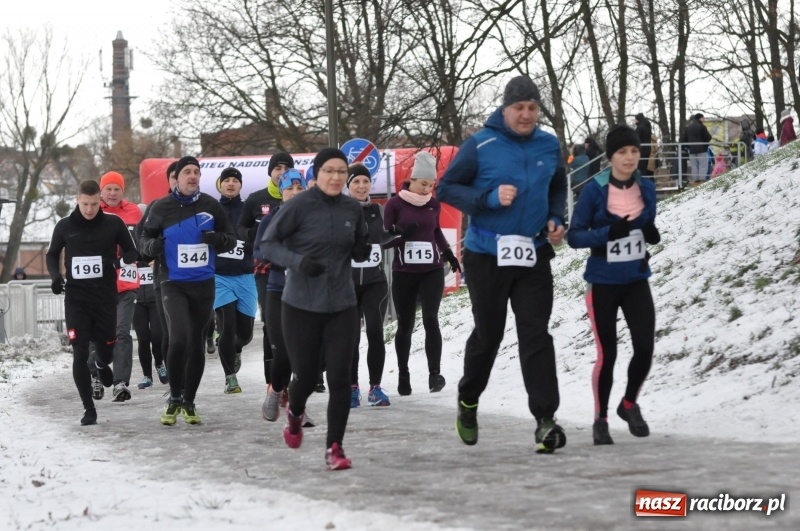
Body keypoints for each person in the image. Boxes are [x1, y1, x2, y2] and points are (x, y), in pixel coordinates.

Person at [436, 75, 568, 454]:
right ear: (505, 109)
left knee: (536, 335)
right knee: (489, 334)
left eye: (532, 108)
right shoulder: (481, 144)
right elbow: (447, 188)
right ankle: (468, 399)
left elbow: (557, 185)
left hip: (533, 252)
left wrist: (556, 217)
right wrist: (489, 197)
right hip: (486, 254)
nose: (526, 115)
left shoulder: (548, 144)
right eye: (519, 108)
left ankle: (545, 420)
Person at [261, 147, 370, 470]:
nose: (336, 177)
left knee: (339, 378)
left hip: (342, 305)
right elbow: (268, 243)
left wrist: (363, 248)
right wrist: (297, 262)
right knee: (306, 376)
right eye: (329, 171)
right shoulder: (299, 206)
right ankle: (294, 413)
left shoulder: (353, 208)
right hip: (300, 305)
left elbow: (360, 246)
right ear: (316, 174)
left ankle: (334, 448)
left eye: (341, 172)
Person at [567, 124, 660, 446]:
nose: (630, 157)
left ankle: (628, 404)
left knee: (645, 348)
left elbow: (645, 223)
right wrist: (607, 235)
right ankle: (601, 418)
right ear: (611, 156)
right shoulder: (595, 189)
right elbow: (574, 236)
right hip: (603, 283)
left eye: (634, 151)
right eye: (623, 151)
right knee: (608, 353)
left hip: (636, 281)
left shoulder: (646, 188)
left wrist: (649, 233)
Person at [140, 156, 237, 426]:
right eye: (187, 172)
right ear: (177, 177)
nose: (192, 176)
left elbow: (230, 239)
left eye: (196, 172)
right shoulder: (161, 207)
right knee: (179, 337)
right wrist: (151, 248)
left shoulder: (211, 205)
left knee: (196, 342)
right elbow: (143, 239)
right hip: (172, 283)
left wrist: (219, 240)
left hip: (203, 283)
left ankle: (190, 401)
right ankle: (174, 397)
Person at [46, 180, 138, 425]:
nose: (89, 209)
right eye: (85, 204)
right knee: (78, 352)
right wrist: (56, 277)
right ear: (77, 200)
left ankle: (100, 362)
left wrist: (116, 264)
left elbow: (132, 252)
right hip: (76, 298)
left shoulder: (113, 223)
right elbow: (52, 254)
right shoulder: (65, 226)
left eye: (94, 204)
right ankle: (89, 409)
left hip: (105, 298)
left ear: (101, 200)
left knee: (106, 350)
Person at [383, 151, 460, 396]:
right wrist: (403, 234)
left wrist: (448, 254)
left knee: (431, 319)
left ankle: (434, 374)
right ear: (412, 179)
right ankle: (403, 373)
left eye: (431, 185)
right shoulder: (394, 204)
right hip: (404, 271)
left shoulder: (433, 204)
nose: (427, 189)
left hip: (431, 270)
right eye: (424, 184)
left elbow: (436, 232)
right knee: (405, 324)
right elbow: (384, 241)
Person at [256, 169, 314, 426]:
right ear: (281, 191)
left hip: (306, 293)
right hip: (278, 291)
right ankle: (276, 390)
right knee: (282, 351)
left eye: (299, 189)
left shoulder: (312, 220)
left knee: (302, 353)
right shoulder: (271, 220)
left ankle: (297, 407)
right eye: (289, 189)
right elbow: (258, 251)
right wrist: (279, 258)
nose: (294, 193)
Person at [237, 152, 293, 403]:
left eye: (286, 168)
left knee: (291, 326)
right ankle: (273, 382)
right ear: (270, 172)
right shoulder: (257, 198)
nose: (281, 171)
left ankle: (288, 381)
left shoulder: (300, 201)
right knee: (272, 326)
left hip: (294, 272)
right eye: (277, 168)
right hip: (264, 272)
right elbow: (240, 227)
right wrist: (257, 235)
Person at [89, 171, 142, 402]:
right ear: (101, 191)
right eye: (108, 188)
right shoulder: (91, 211)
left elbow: (140, 243)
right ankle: (96, 375)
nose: (112, 193)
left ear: (123, 191)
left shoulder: (134, 212)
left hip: (126, 284)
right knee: (97, 334)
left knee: (122, 332)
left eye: (116, 189)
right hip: (98, 286)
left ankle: (120, 382)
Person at [347, 163, 396, 408]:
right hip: (348, 284)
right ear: (348, 185)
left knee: (375, 331)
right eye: (356, 181)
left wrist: (396, 234)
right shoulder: (341, 210)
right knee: (351, 336)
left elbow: (385, 236)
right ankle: (352, 387)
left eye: (365, 182)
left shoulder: (378, 210)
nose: (361, 186)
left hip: (375, 282)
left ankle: (375, 388)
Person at [213, 167, 257, 394]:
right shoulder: (213, 210)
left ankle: (236, 349)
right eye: (226, 180)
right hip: (219, 277)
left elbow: (257, 232)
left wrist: (252, 242)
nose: (231, 184)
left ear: (240, 185)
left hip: (245, 275)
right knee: (227, 327)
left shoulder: (246, 208)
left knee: (246, 334)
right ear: (220, 184)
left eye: (235, 180)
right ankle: (230, 377)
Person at [679, 113, 712, 185]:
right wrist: (705, 144)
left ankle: (695, 182)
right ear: (699, 118)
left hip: (692, 151)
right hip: (702, 150)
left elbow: (683, 140)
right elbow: (708, 137)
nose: (704, 120)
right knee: (703, 166)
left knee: (694, 167)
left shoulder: (688, 128)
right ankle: (702, 182)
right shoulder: (702, 127)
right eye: (703, 118)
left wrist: (687, 147)